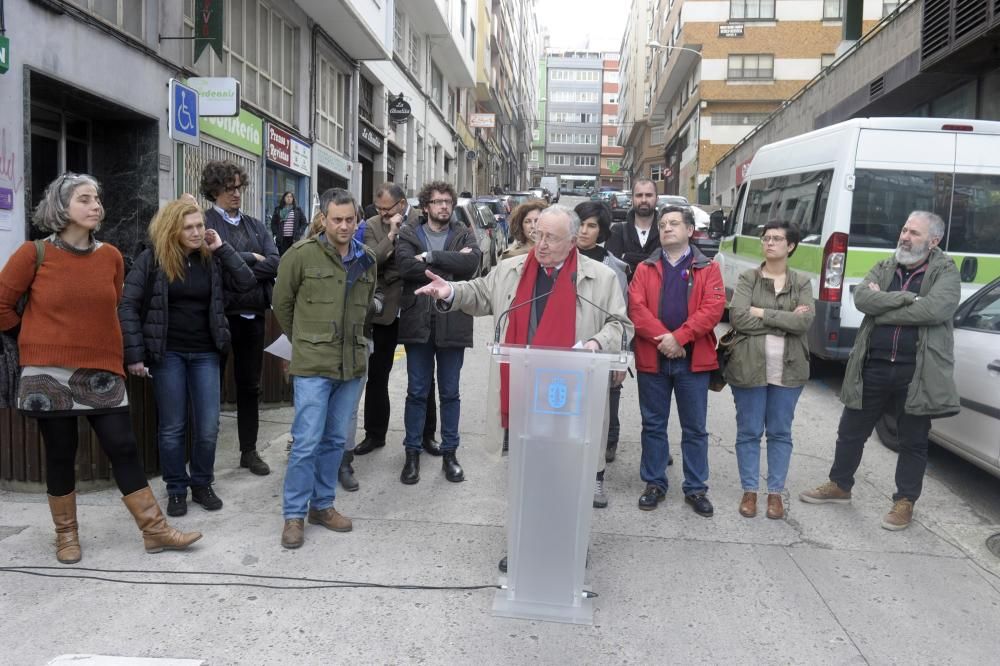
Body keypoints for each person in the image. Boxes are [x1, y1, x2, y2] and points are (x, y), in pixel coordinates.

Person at [414, 204, 633, 571]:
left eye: (551, 238)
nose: (541, 244)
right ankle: (523, 542)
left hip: (573, 393)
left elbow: (620, 325)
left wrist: (598, 342)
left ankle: (569, 543)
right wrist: (449, 291)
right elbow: (481, 294)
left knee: (568, 474)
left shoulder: (600, 277)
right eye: (538, 235)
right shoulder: (513, 270)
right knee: (526, 474)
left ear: (572, 240)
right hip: (523, 389)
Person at [0, 173, 201, 562]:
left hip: (102, 369)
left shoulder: (110, 256)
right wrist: (34, 336)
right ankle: (66, 535)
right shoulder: (33, 253)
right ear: (62, 208)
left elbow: (114, 307)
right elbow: (2, 306)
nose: (96, 206)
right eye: (84, 199)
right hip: (48, 371)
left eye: (97, 198)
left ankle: (155, 531)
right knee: (61, 453)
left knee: (124, 446)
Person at [800, 211, 960, 530]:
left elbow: (936, 309)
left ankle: (904, 502)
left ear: (933, 241)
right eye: (903, 229)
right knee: (850, 431)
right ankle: (840, 485)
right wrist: (905, 299)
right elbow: (862, 299)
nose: (904, 236)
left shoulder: (946, 271)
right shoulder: (887, 266)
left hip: (917, 371)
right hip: (873, 363)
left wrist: (883, 305)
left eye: (914, 232)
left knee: (912, 440)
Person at [118, 199, 256, 517]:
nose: (196, 232)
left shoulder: (213, 258)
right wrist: (135, 354)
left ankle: (202, 483)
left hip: (206, 352)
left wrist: (221, 247)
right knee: (173, 427)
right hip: (168, 354)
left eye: (199, 226)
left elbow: (247, 282)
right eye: (189, 227)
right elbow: (127, 304)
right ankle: (177, 489)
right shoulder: (152, 259)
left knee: (208, 425)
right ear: (173, 230)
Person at [272, 188, 377, 549]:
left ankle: (322, 505)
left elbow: (363, 315)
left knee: (335, 439)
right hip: (313, 365)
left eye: (350, 220)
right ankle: (293, 515)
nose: (344, 226)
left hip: (351, 365)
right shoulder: (300, 256)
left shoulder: (367, 260)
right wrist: (306, 341)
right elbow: (282, 305)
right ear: (324, 218)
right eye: (337, 220)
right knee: (305, 443)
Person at [629, 205, 725, 516]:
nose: (667, 228)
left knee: (694, 427)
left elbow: (712, 309)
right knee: (653, 425)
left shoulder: (707, 268)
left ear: (689, 230)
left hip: (692, 360)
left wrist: (680, 338)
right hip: (653, 358)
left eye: (674, 223)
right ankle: (655, 483)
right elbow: (636, 309)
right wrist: (665, 339)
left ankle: (696, 488)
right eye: (663, 224)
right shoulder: (645, 268)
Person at [725, 221, 814, 520]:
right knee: (749, 431)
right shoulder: (748, 278)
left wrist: (761, 312)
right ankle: (750, 490)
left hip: (789, 370)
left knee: (780, 432)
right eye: (766, 238)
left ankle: (775, 493)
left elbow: (803, 323)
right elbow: (738, 318)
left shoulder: (801, 282)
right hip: (748, 367)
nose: (770, 243)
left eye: (777, 239)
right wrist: (784, 319)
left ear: (790, 246)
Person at [395, 180, 481, 485]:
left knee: (450, 392)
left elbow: (471, 264)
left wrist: (430, 258)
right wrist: (450, 266)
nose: (443, 206)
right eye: (437, 201)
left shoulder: (463, 233)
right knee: (417, 391)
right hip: (417, 322)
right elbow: (403, 266)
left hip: (453, 321)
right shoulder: (409, 232)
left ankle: (450, 454)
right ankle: (412, 455)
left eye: (448, 201)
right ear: (426, 205)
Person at [200, 161, 280, 477]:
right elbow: (211, 266)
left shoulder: (256, 225)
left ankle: (249, 450)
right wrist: (249, 259)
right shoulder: (204, 223)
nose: (236, 194)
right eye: (228, 188)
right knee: (211, 388)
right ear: (214, 189)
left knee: (250, 386)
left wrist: (233, 262)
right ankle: (203, 456)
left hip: (252, 315)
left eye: (238, 187)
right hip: (218, 315)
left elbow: (274, 262)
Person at [355, 183, 442, 459]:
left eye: (387, 208)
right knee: (378, 374)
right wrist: (391, 234)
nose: (381, 213)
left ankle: (427, 435)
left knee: (424, 376)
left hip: (417, 306)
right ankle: (374, 433)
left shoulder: (422, 221)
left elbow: (428, 264)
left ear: (402, 204)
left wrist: (399, 267)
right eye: (378, 208)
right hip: (385, 311)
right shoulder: (371, 225)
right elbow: (370, 261)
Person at [574, 201, 629, 507]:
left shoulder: (613, 269)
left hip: (599, 353)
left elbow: (621, 317)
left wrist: (621, 355)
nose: (584, 231)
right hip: (561, 354)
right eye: (580, 223)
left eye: (592, 225)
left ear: (602, 231)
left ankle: (596, 479)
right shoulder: (557, 257)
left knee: (598, 418)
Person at [606, 178, 661, 279]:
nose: (644, 200)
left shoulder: (665, 232)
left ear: (657, 199)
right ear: (632, 199)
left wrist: (628, 257)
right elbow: (610, 270)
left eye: (649, 195)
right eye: (639, 195)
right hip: (623, 293)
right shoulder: (618, 231)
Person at [270, 191, 307, 255]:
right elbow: (273, 223)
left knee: (293, 257)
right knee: (283, 257)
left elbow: (304, 222)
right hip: (281, 239)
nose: (289, 198)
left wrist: (299, 232)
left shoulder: (297, 210)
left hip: (294, 239)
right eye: (287, 197)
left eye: (291, 197)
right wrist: (276, 234)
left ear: (293, 199)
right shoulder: (278, 209)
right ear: (284, 198)